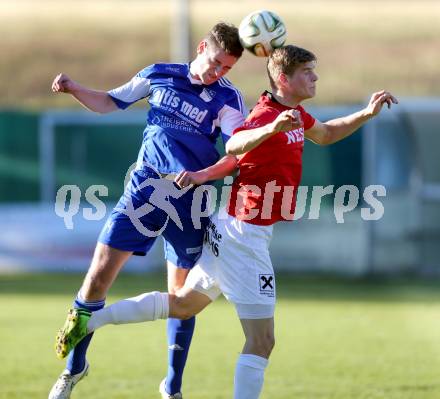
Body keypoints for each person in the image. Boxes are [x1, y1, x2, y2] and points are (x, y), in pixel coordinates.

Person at [56, 45, 398, 398]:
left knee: (184, 304)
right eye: (307, 72)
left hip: (228, 229)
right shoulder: (268, 115)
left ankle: (92, 320)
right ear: (284, 78)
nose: (315, 77)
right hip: (244, 236)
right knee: (262, 341)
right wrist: (270, 130)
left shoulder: (294, 113)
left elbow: (325, 134)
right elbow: (236, 145)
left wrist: (367, 113)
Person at [48, 22, 247, 399]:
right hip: (143, 194)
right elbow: (110, 101)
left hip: (190, 202)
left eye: (227, 68)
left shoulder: (228, 99)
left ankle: (172, 387)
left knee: (181, 298)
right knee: (95, 279)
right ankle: (74, 369)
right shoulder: (160, 74)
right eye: (217, 62)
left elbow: (236, 151)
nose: (218, 72)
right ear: (203, 46)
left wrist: (205, 173)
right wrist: (74, 89)